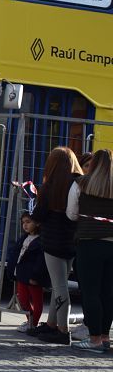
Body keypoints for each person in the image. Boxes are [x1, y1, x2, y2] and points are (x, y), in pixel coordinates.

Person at [29, 146, 82, 345]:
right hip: (71, 241)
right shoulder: (77, 184)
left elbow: (38, 216)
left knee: (59, 287)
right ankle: (52, 324)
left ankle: (62, 330)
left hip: (52, 241)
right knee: (59, 282)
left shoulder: (50, 186)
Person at [66, 147, 113, 353]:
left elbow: (71, 214)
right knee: (109, 292)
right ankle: (104, 336)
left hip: (88, 242)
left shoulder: (80, 184)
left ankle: (93, 338)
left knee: (90, 292)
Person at [6, 212, 48, 334]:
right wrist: (12, 270)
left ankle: (33, 323)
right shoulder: (23, 238)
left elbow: (40, 261)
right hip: (21, 274)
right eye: (23, 222)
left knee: (36, 300)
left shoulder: (41, 241)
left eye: (28, 222)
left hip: (33, 276)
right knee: (23, 299)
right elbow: (16, 254)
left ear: (38, 223)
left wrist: (36, 275)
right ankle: (30, 320)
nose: (25, 225)